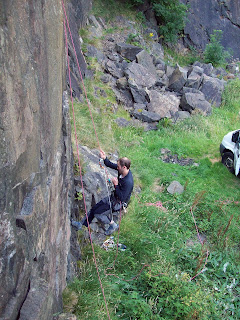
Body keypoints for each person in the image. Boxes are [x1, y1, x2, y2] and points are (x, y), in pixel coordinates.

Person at [71, 150, 134, 235]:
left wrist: (116, 185)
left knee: (98, 213)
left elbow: (122, 197)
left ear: (124, 167)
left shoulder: (128, 182)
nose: (117, 167)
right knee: (94, 209)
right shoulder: (122, 170)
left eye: (118, 166)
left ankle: (113, 225)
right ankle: (81, 225)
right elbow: (110, 165)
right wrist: (104, 158)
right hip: (113, 198)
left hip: (117, 203)